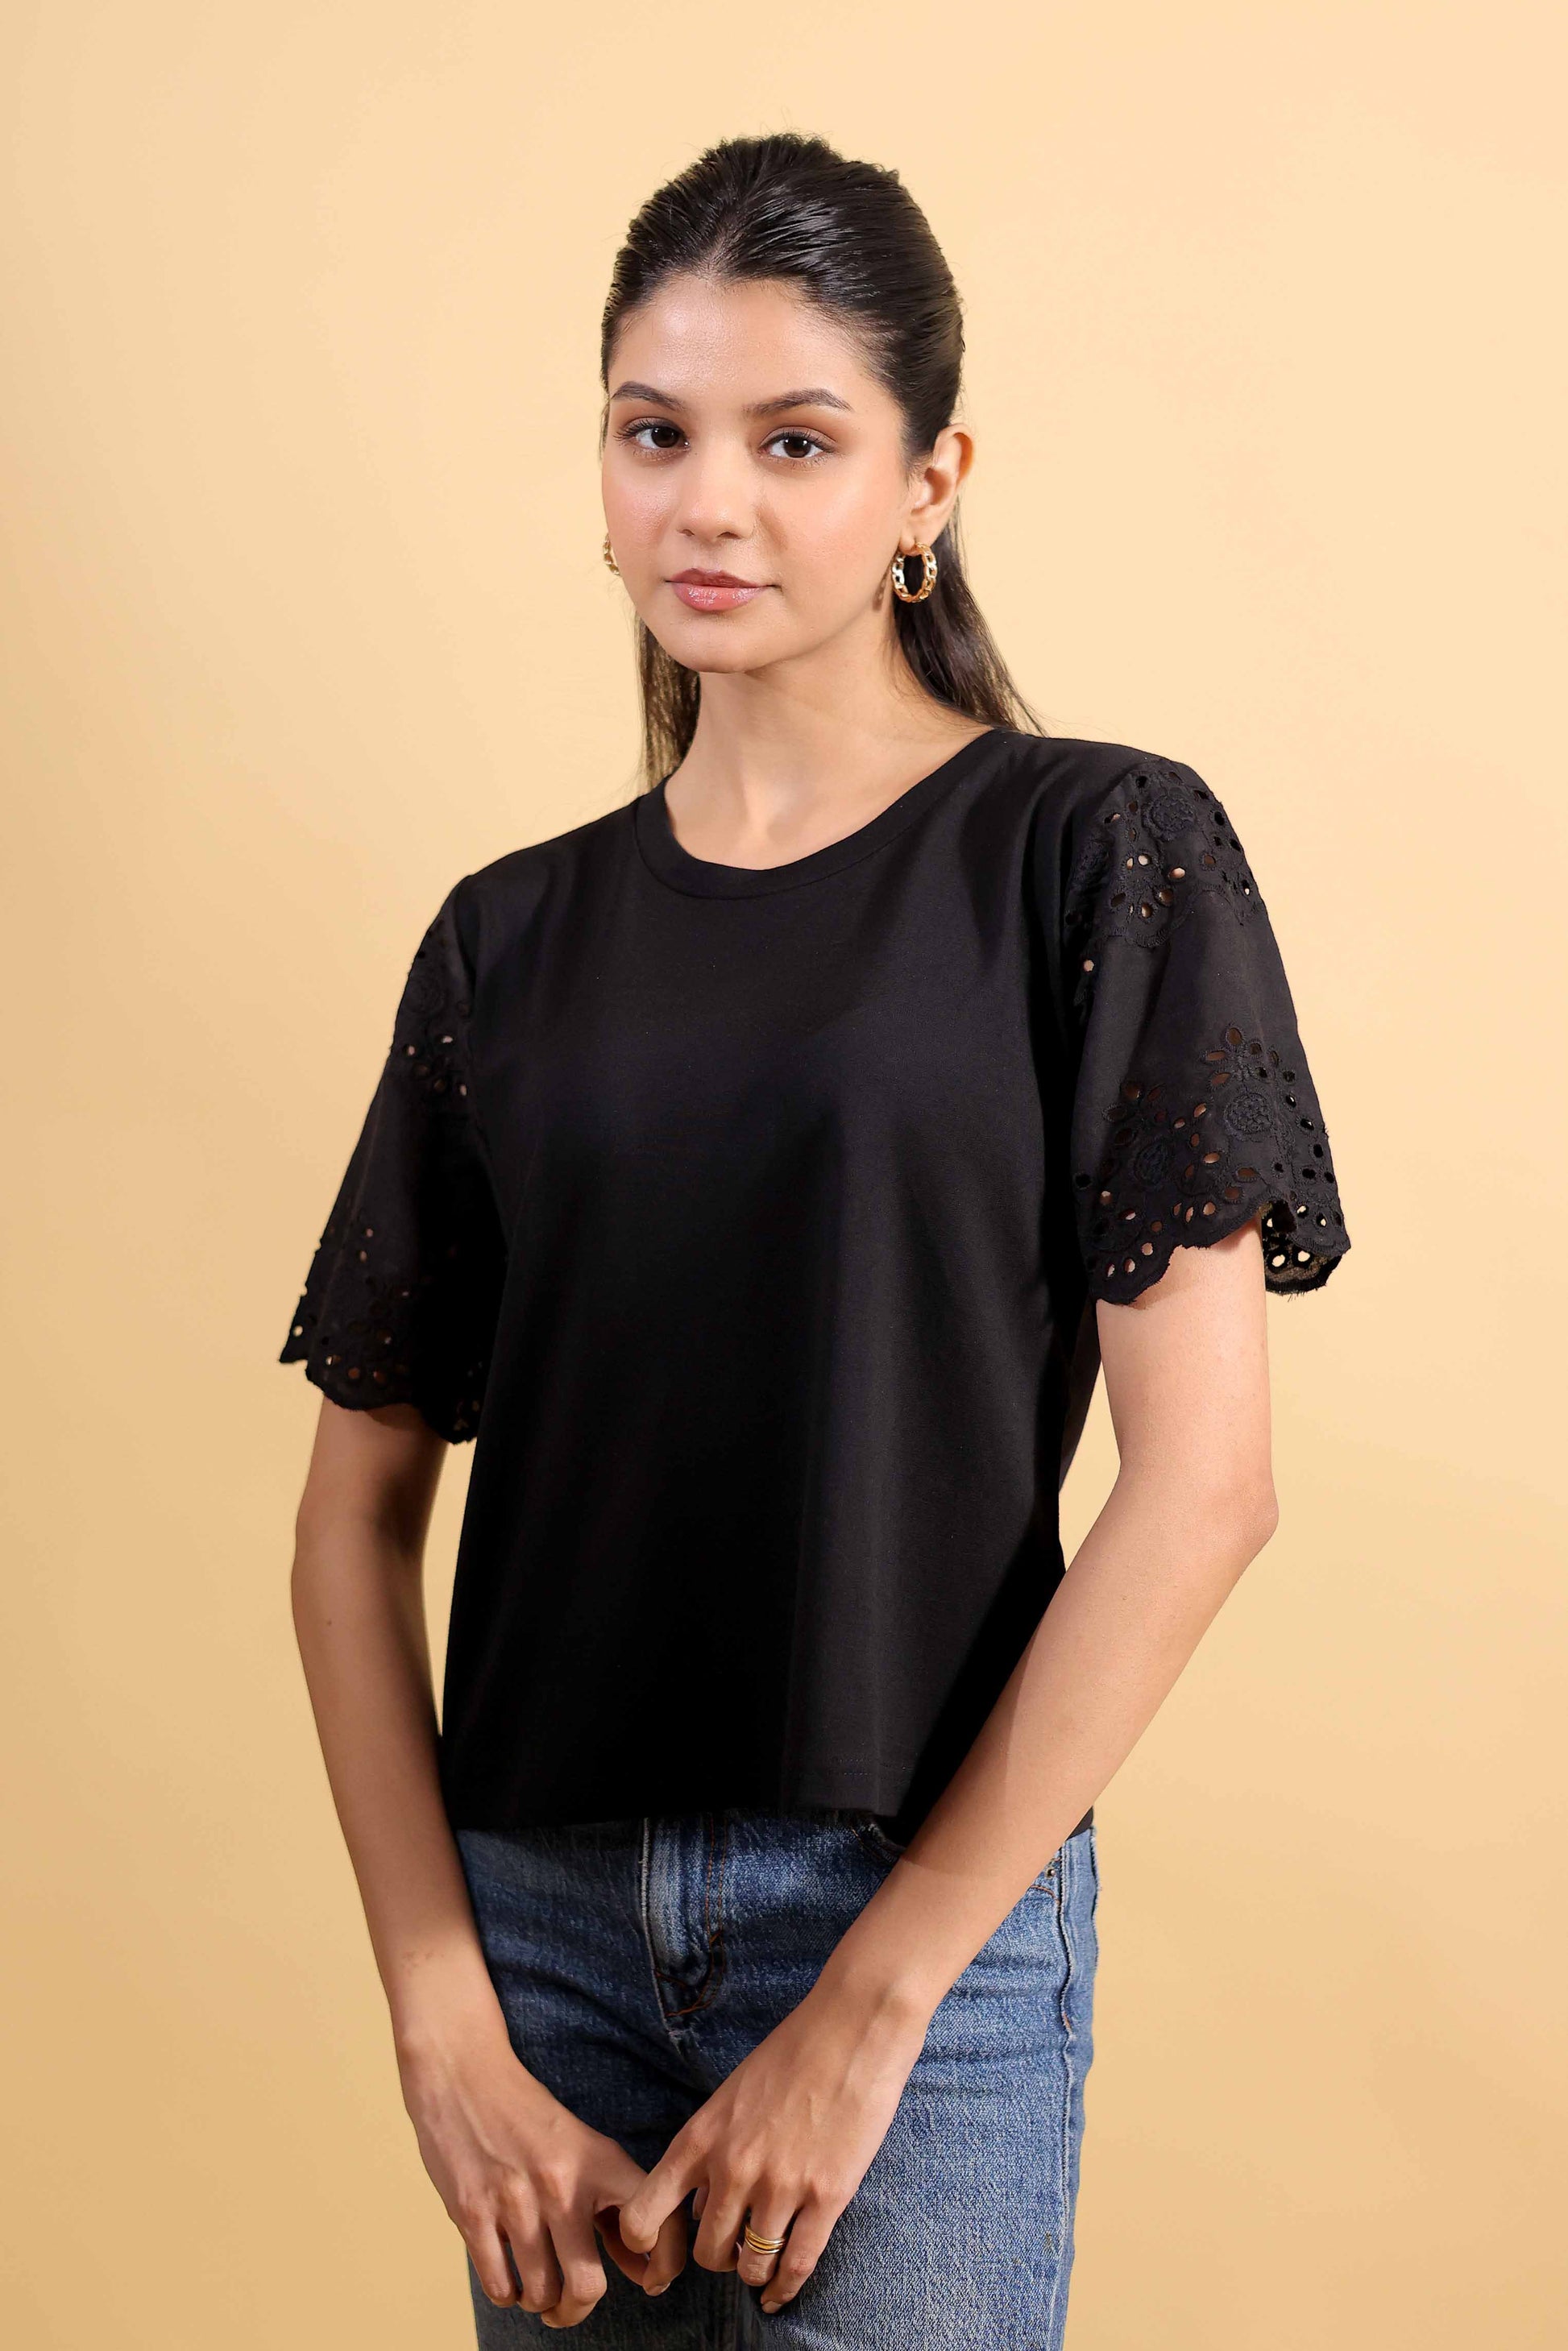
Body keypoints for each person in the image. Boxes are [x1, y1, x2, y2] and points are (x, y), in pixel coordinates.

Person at [279, 131, 1350, 2349]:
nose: (711, 505)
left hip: (909, 1928)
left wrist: (876, 2000)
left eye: (795, 441)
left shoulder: (1092, 853)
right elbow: (349, 1522)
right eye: (652, 433)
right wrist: (441, 2021)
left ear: (929, 479)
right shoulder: (505, 943)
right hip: (536, 1947)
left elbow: (1206, 1485)